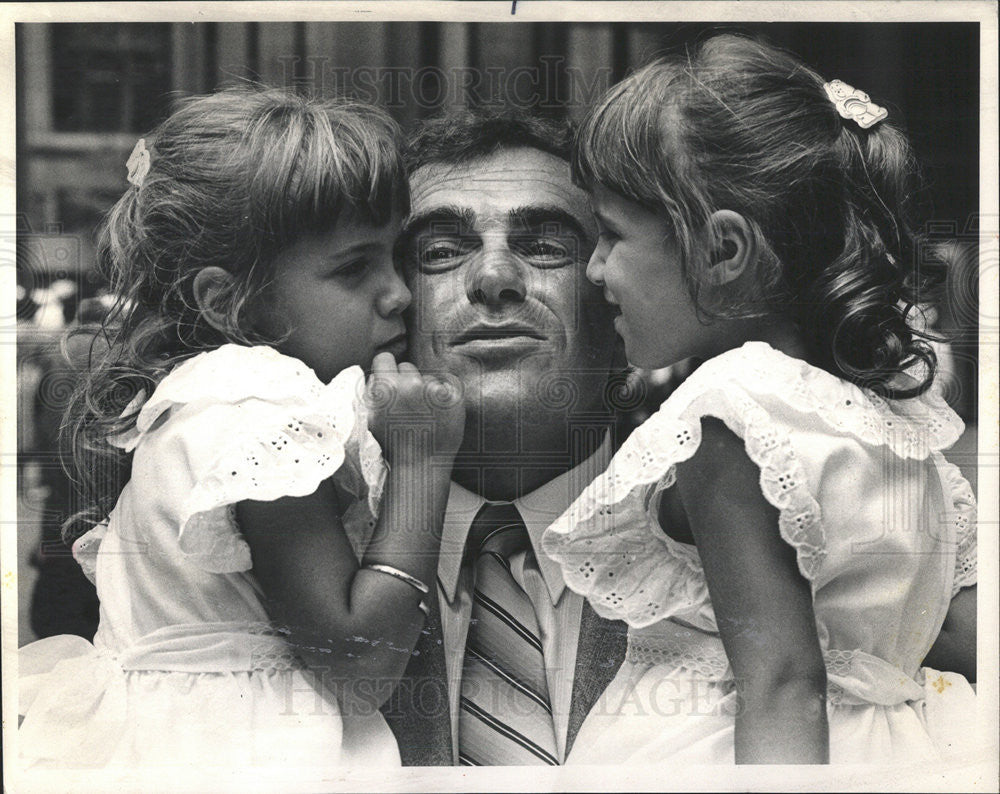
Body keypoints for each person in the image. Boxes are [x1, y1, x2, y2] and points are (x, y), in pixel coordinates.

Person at [541, 35, 977, 765]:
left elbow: (780, 682)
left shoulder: (730, 416)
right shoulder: (894, 420)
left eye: (611, 236)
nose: (594, 269)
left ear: (722, 251)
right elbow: (958, 635)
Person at [18, 87, 465, 775]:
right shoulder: (258, 407)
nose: (398, 293)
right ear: (232, 305)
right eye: (354, 269)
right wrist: (422, 464)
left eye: (394, 256)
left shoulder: (198, 401)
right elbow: (359, 663)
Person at [386, 108, 629, 766]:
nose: (494, 278)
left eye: (545, 246)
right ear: (388, 303)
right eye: (440, 253)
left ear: (620, 293)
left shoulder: (724, 520)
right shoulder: (300, 532)